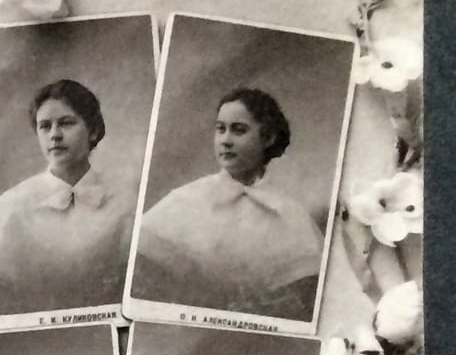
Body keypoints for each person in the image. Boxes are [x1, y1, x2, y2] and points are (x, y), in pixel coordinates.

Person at [134, 86, 324, 320]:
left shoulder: (289, 214)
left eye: (238, 130)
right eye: (220, 129)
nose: (225, 140)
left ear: (268, 138)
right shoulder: (186, 200)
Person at [0, 80, 134, 316]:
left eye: (66, 123)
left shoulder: (124, 202)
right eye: (45, 126)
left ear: (93, 130)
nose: (55, 135)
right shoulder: (13, 204)